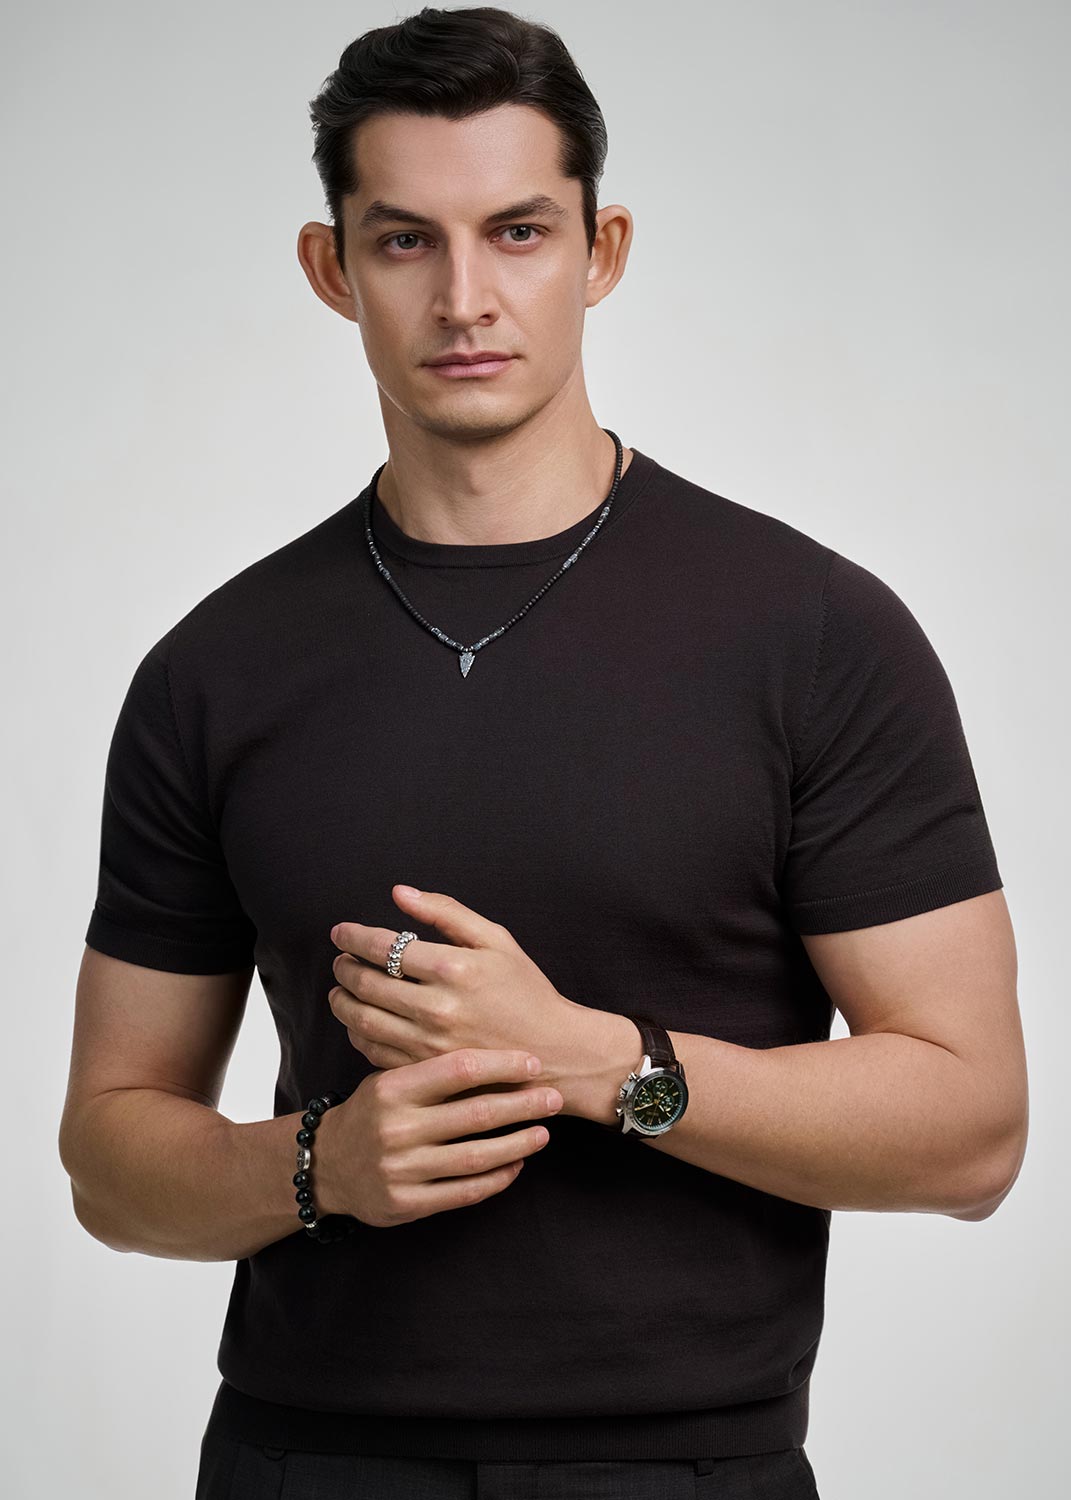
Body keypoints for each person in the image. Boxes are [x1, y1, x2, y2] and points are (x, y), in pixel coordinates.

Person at [58, 7, 1028, 1498]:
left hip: (687, 1467)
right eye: (405, 241)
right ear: (332, 269)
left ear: (601, 250)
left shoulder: (815, 635)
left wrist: (604, 1062)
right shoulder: (216, 669)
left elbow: (972, 1134)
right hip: (307, 1462)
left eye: (518, 232)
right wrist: (318, 1167)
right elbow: (111, 1160)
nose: (466, 299)